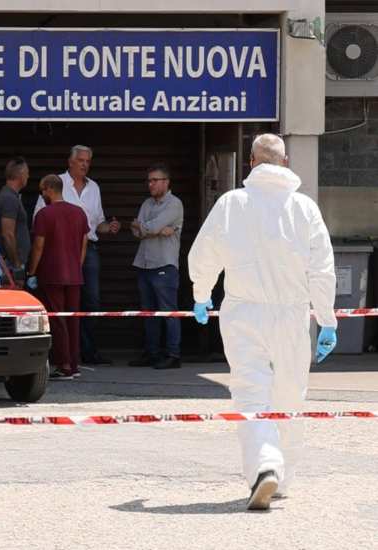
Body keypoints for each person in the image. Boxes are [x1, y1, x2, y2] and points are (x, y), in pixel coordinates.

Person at [188, 134, 338, 511]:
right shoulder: (304, 208)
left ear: (251, 162)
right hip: (291, 314)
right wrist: (327, 318)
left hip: (243, 314)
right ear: (285, 163)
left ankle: (265, 466)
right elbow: (322, 269)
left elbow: (204, 253)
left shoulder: (231, 203)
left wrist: (202, 293)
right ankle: (281, 478)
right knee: (289, 394)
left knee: (251, 393)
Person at [33, 145, 119, 365]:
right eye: (81, 160)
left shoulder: (94, 188)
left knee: (91, 301)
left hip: (87, 249)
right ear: (70, 161)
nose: (84, 164)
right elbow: (40, 218)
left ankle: (85, 351)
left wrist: (108, 227)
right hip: (60, 250)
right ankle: (64, 356)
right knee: (60, 306)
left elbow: (96, 223)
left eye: (88, 161)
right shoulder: (55, 184)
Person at [27, 174, 89, 380]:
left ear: (49, 189)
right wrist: (76, 266)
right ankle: (73, 364)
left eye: (42, 190)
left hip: (51, 274)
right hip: (74, 275)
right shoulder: (79, 213)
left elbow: (38, 246)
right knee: (73, 320)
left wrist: (32, 271)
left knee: (57, 320)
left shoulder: (44, 215)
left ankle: (63, 365)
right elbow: (84, 243)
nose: (41, 194)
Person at [129, 163, 184, 370]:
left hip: (164, 265)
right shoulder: (146, 203)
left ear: (166, 182)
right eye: (149, 180)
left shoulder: (174, 204)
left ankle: (173, 354)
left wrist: (147, 228)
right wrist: (155, 229)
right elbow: (137, 232)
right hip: (143, 263)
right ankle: (151, 353)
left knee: (168, 312)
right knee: (148, 312)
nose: (150, 184)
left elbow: (147, 227)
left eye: (155, 180)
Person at [0, 157, 31, 285]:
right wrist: (16, 266)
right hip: (10, 266)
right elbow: (8, 234)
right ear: (21, 175)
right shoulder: (9, 199)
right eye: (27, 173)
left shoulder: (4, 195)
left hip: (5, 263)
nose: (28, 176)